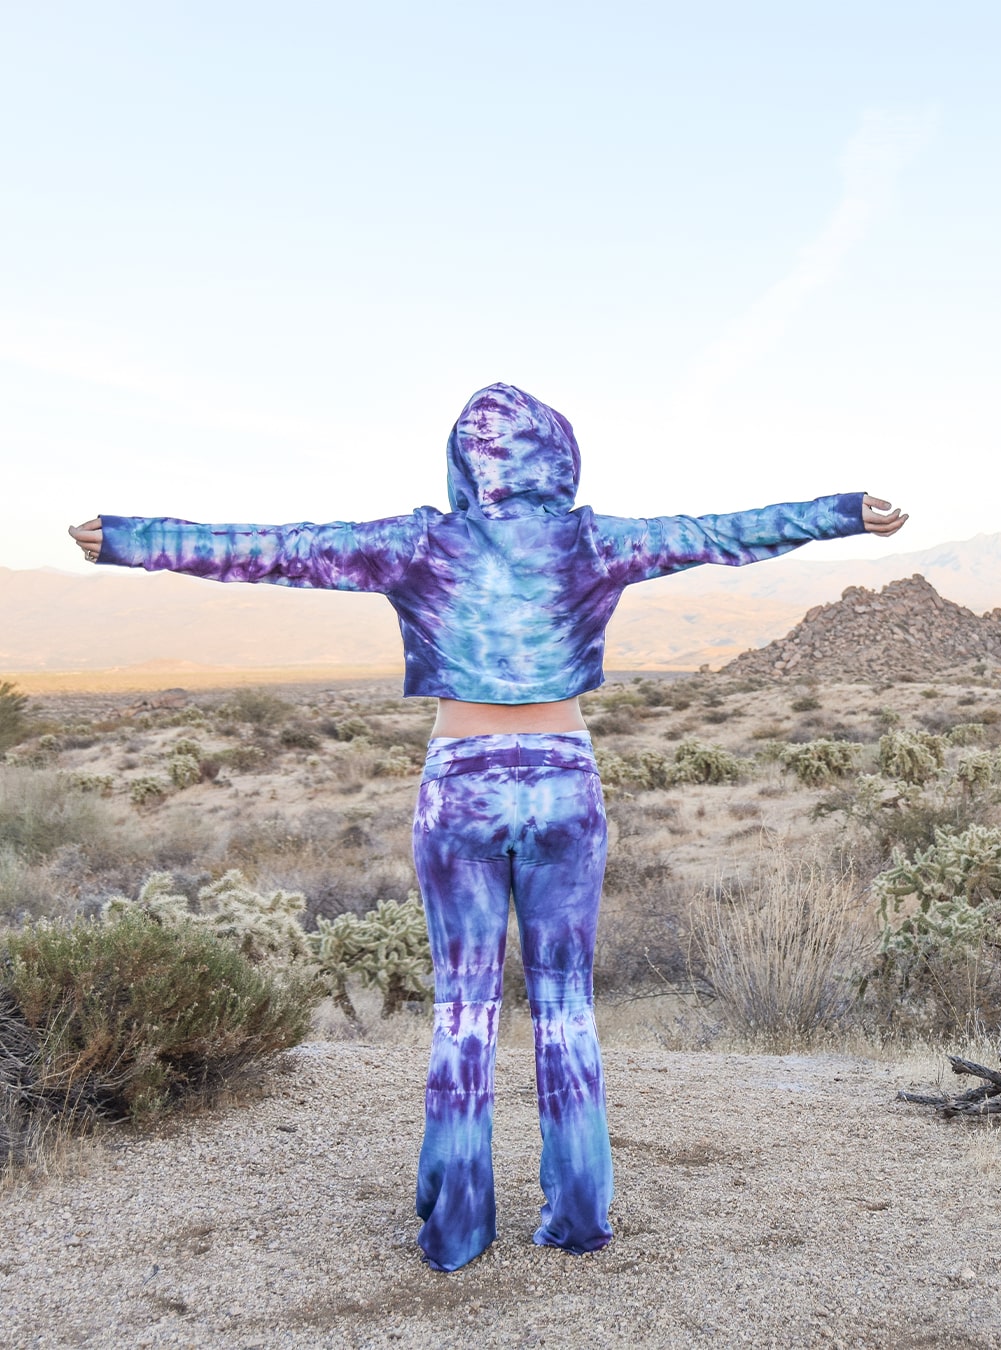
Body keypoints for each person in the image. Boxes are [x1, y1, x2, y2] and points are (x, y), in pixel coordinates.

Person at [70, 381, 907, 1272]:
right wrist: (844, 511)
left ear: (462, 461)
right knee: (564, 1007)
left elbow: (271, 551)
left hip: (460, 784)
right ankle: (579, 1214)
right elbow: (725, 533)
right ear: (559, 453)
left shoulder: (419, 543)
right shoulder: (595, 541)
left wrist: (128, 539)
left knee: (463, 1010)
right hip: (563, 782)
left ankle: (458, 1227)